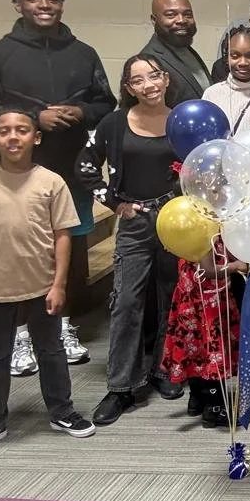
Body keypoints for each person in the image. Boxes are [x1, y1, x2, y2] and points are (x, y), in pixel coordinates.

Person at [0, 0, 115, 376]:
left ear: (61, 3)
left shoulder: (82, 53)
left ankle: (62, 327)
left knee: (69, 246)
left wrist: (80, 112)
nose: (44, 4)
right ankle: (19, 337)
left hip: (70, 172)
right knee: (17, 251)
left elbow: (106, 103)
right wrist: (34, 117)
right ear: (18, 4)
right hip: (16, 176)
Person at [0, 108, 95, 455]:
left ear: (37, 137)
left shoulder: (51, 182)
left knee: (51, 351)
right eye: (4, 131)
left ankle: (61, 411)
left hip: (42, 286)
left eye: (22, 130)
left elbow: (63, 236)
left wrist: (59, 284)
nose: (13, 137)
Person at [75, 56, 182, 426]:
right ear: (129, 88)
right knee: (127, 301)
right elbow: (86, 165)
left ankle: (165, 370)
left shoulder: (183, 119)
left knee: (171, 296)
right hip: (135, 223)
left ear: (165, 79)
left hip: (176, 221)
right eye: (138, 80)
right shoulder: (114, 122)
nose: (149, 84)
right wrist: (114, 202)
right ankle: (121, 386)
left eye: (154, 76)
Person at [162, 235, 247, 428]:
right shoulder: (203, 230)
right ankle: (214, 407)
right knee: (212, 352)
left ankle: (196, 398)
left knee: (195, 350)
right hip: (209, 303)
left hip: (190, 300)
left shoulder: (187, 228)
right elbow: (209, 270)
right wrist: (237, 266)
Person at [139, 0, 209, 104]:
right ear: (154, 20)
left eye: (188, 14)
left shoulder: (185, 49)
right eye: (171, 15)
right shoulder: (149, 61)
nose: (181, 20)